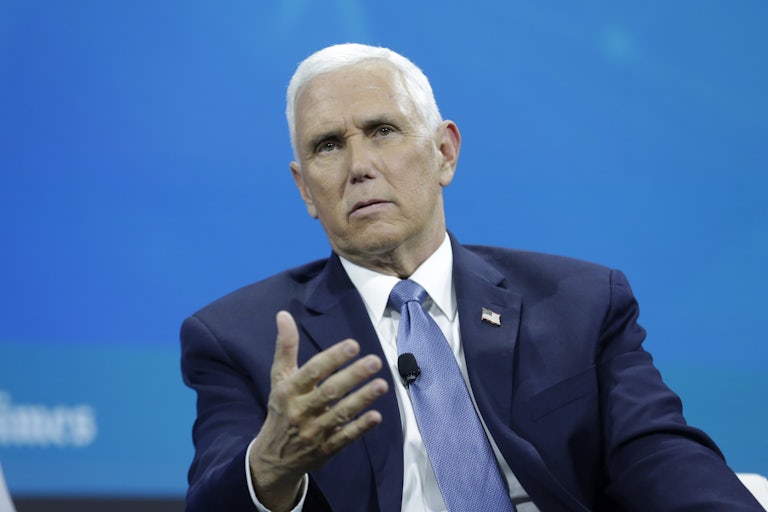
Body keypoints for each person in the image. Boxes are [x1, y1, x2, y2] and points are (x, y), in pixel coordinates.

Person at [180, 43, 762, 511]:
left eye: (383, 131)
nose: (360, 167)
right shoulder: (240, 338)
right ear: (306, 188)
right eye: (328, 146)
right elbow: (214, 496)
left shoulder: (581, 304)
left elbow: (659, 457)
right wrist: (268, 467)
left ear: (444, 153)